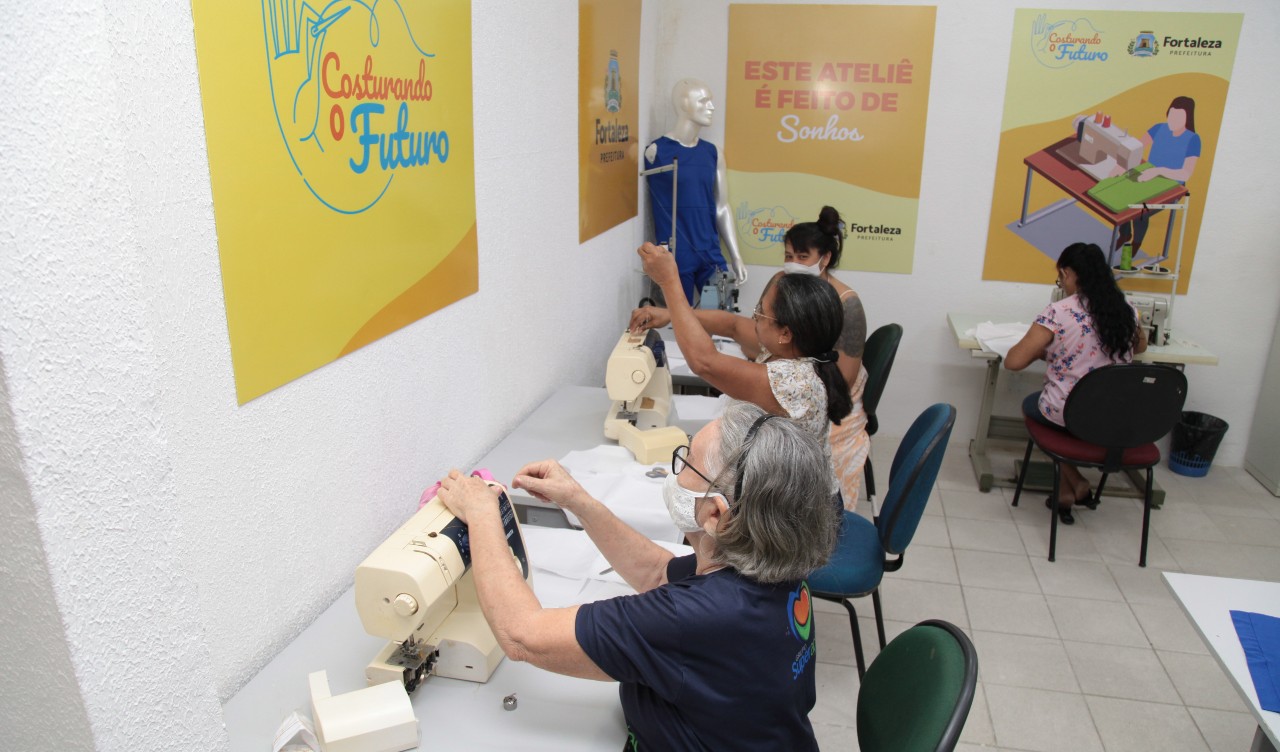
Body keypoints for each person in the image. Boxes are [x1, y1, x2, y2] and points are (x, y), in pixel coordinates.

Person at [435, 401, 840, 751]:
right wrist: (579, 502)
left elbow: (521, 634)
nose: (676, 470)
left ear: (715, 514)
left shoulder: (696, 618)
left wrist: (483, 516)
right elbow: (656, 572)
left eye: (686, 462)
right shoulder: (777, 561)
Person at [628, 242, 852, 498]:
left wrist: (669, 282)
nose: (755, 318)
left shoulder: (794, 381)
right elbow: (732, 325)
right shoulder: (795, 348)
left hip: (799, 515)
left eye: (761, 313)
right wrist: (671, 313)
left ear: (786, 333)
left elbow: (704, 362)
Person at [1005, 242, 1148, 524]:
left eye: (1061, 277)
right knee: (1067, 411)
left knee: (1034, 407)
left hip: (1070, 414)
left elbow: (1013, 362)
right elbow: (1140, 347)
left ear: (1068, 273)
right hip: (1114, 416)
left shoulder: (1058, 312)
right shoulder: (1127, 309)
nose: (1062, 283)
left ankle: (1076, 482)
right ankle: (1067, 492)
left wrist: (1041, 351)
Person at [781, 206, 870, 510]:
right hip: (803, 393)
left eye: (802, 257)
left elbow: (841, 382)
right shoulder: (788, 291)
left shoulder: (848, 305)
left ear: (825, 259)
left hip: (834, 407)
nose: (793, 264)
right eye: (788, 256)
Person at [644, 78, 748, 304]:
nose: (711, 107)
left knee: (722, 318)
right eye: (703, 101)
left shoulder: (713, 153)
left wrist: (736, 256)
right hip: (676, 254)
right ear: (684, 104)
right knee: (679, 324)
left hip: (710, 251)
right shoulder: (657, 152)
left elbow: (721, 206)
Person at [1115, 96, 1201, 261]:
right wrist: (1121, 164)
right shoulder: (1158, 128)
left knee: (1141, 211)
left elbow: (1185, 173)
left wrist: (1159, 171)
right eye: (1171, 115)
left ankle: (1136, 242)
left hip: (1172, 187)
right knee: (1120, 197)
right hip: (1149, 177)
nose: (1172, 120)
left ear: (1187, 118)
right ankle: (1124, 234)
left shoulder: (1193, 140)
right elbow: (1137, 147)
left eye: (1178, 117)